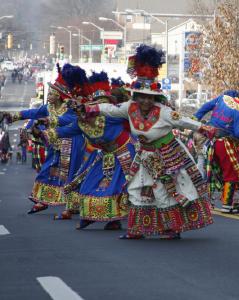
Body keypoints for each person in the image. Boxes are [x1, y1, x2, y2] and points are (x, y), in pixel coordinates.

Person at [79, 45, 214, 239]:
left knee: (162, 191)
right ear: (136, 96)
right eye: (141, 97)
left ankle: (171, 228)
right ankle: (137, 230)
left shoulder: (165, 112)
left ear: (156, 98)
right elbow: (110, 109)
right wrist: (89, 109)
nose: (145, 101)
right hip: (144, 155)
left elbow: (184, 121)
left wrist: (205, 129)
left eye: (149, 98)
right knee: (135, 189)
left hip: (166, 154)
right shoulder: (129, 107)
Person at [49, 69, 134, 228]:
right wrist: (43, 133)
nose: (100, 106)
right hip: (104, 153)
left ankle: (115, 220)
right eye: (96, 104)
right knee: (88, 184)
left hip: (125, 151)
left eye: (103, 103)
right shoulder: (81, 122)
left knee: (118, 186)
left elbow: (133, 114)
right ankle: (91, 214)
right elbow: (63, 131)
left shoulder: (112, 114)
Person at [3, 65, 85, 214]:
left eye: (52, 93)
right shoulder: (48, 107)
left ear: (60, 96)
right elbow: (32, 112)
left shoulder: (69, 108)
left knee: (69, 174)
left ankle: (72, 205)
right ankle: (42, 200)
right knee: (46, 171)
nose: (49, 96)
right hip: (55, 144)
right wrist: (14, 116)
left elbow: (70, 120)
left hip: (71, 143)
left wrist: (49, 120)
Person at [194, 90, 239, 213]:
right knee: (232, 173)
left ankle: (212, 202)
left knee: (214, 174)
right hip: (225, 144)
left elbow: (207, 106)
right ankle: (227, 205)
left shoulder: (223, 98)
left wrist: (196, 117)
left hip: (210, 141)